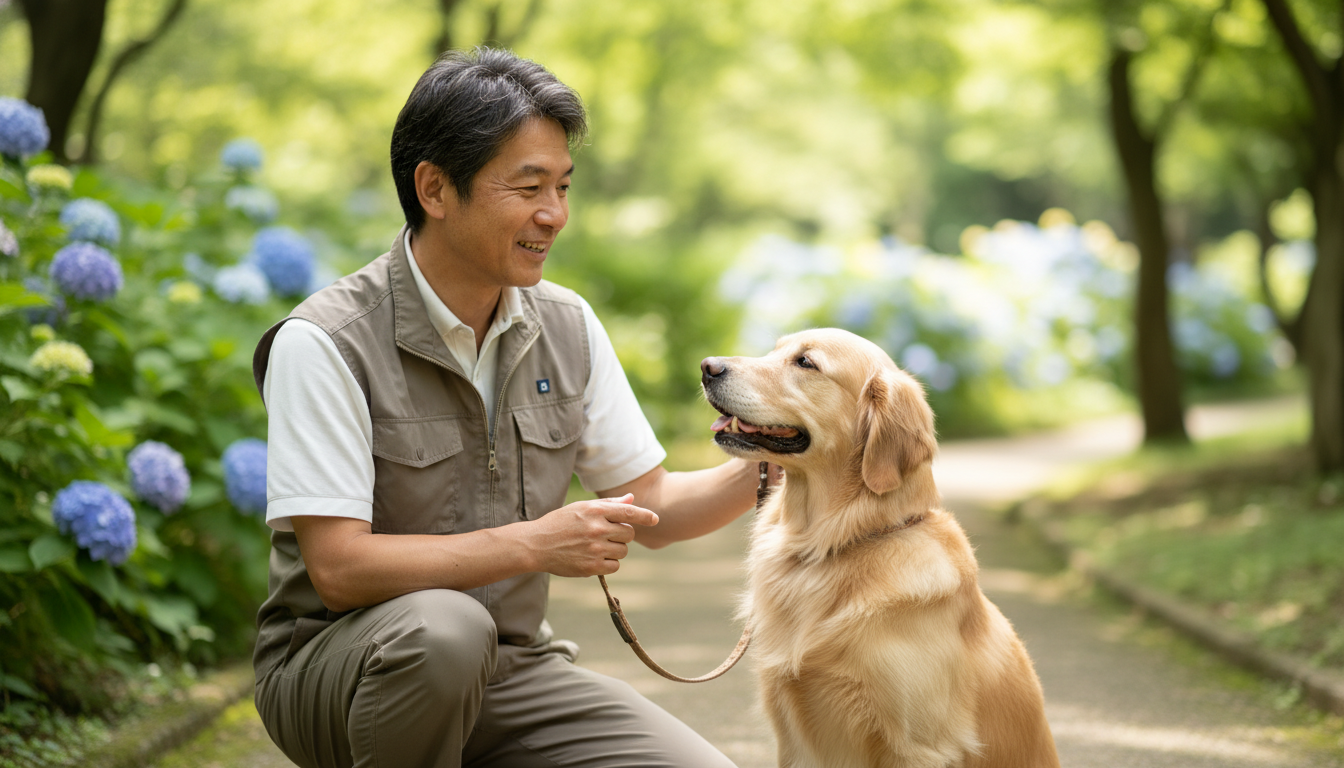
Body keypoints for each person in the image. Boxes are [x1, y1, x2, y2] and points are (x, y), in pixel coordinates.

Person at [250, 47, 761, 768]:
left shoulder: (567, 326)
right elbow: (338, 567)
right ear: (434, 188)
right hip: (339, 672)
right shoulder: (325, 342)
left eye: (562, 186)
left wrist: (782, 460)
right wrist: (535, 544)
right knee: (443, 633)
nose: (553, 215)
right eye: (527, 188)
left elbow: (655, 506)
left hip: (511, 672)